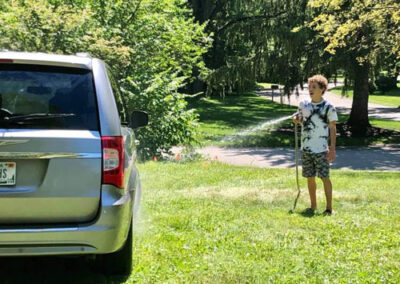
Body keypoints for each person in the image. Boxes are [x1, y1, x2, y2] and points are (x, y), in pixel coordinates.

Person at [292, 75, 338, 215]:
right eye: (309, 87)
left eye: (314, 87)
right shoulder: (304, 104)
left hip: (321, 149)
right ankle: (313, 206)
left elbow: (332, 128)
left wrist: (332, 149)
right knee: (310, 178)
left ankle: (329, 208)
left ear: (322, 89)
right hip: (306, 148)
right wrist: (296, 119)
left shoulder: (328, 107)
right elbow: (299, 117)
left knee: (325, 177)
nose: (310, 89)